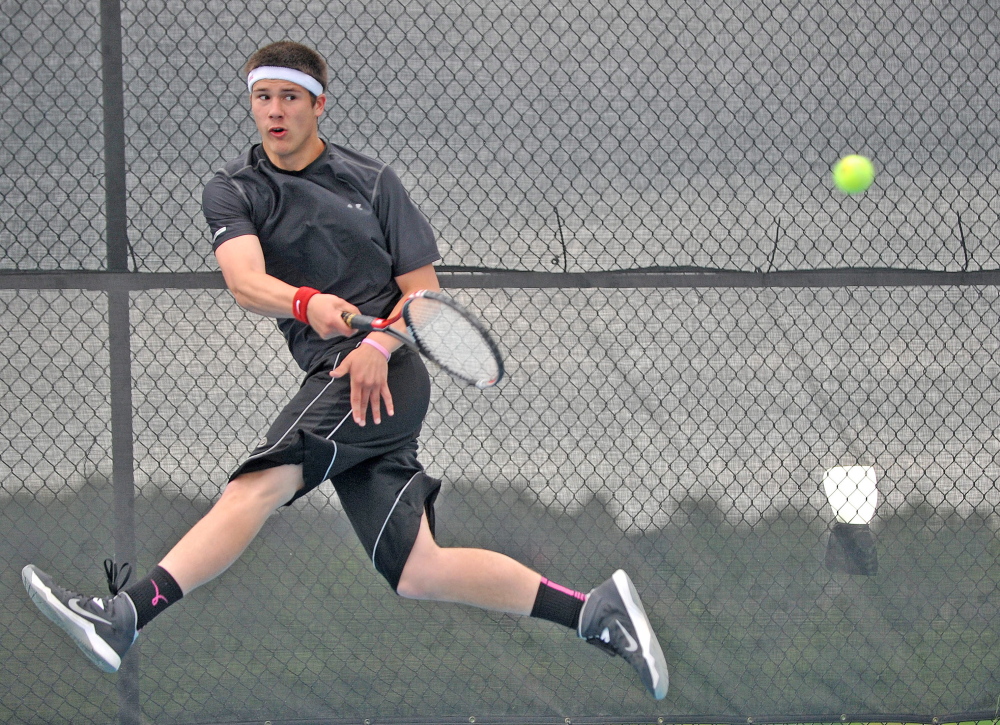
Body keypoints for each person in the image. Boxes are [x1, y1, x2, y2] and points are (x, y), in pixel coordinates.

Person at [21, 40, 668, 701]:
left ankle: (124, 616)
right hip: (335, 370)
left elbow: (422, 297)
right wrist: (307, 302)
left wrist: (377, 346)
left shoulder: (374, 182)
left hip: (385, 372)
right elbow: (245, 283)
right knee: (418, 568)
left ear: (317, 105)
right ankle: (594, 611)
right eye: (262, 97)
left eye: (289, 98)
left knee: (255, 486)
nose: (274, 111)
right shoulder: (233, 190)